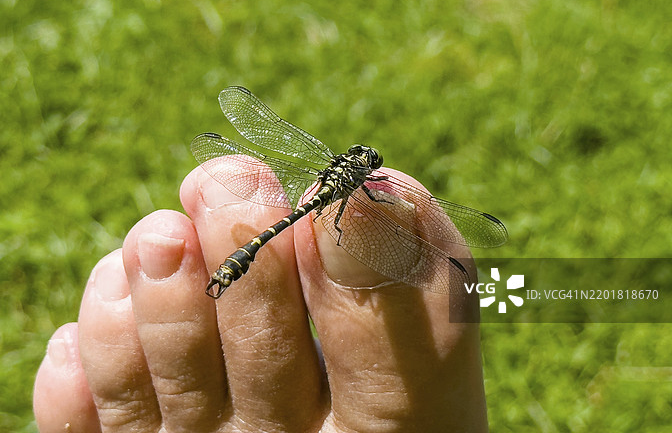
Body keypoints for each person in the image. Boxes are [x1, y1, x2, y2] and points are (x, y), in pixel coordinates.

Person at [33, 165, 488, 432]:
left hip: (279, 230)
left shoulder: (336, 176)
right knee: (357, 222)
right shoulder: (358, 187)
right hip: (287, 233)